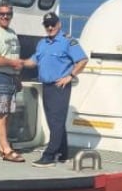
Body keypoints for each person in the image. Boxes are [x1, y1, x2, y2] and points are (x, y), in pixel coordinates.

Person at [23, 12, 88, 167]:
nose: (50, 27)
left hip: (60, 87)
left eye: (53, 24)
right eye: (47, 25)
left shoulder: (68, 41)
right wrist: (17, 63)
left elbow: (83, 60)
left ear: (59, 24)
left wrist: (70, 76)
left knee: (56, 121)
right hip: (46, 87)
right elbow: (34, 60)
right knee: (53, 122)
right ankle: (62, 152)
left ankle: (49, 155)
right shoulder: (42, 43)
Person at [0, 1, 25, 162]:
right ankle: (7, 150)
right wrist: (13, 63)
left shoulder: (12, 33)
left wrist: (17, 78)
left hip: (11, 78)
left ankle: (2, 147)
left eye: (8, 14)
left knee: (7, 114)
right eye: (1, 14)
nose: (5, 16)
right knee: (1, 114)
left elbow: (13, 56)